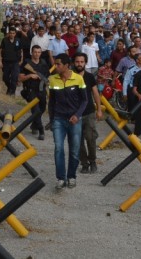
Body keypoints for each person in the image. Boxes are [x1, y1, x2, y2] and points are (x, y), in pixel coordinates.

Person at [48, 53, 88, 190]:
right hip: (59, 119)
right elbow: (51, 102)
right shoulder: (52, 80)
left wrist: (77, 115)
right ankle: (60, 178)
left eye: (58, 64)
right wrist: (51, 120)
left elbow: (85, 100)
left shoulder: (78, 79)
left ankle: (71, 176)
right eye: (55, 64)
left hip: (75, 120)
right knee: (58, 148)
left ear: (66, 65)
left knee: (74, 150)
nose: (56, 66)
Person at [73, 53, 103, 174]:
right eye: (77, 62)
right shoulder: (69, 76)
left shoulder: (90, 77)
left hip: (89, 112)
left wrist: (99, 109)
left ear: (85, 63)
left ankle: (93, 161)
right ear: (73, 63)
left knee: (91, 138)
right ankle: (84, 163)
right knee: (78, 141)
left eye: (81, 62)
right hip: (75, 114)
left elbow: (95, 93)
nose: (79, 64)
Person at [18, 44, 49, 140]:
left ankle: (34, 124)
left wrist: (46, 81)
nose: (37, 54)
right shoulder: (27, 63)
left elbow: (47, 76)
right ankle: (41, 130)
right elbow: (20, 78)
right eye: (35, 52)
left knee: (42, 109)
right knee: (36, 111)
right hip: (30, 90)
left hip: (41, 90)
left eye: (39, 52)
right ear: (32, 53)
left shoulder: (43, 63)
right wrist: (29, 76)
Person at [0, 26, 23, 96]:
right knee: (5, 78)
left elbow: (21, 51)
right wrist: (0, 61)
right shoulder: (4, 40)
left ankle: (12, 92)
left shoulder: (18, 41)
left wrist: (21, 60)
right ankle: (9, 88)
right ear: (8, 33)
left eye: (13, 33)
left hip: (15, 62)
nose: (12, 34)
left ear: (15, 34)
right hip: (6, 62)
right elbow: (0, 51)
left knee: (14, 77)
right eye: (10, 33)